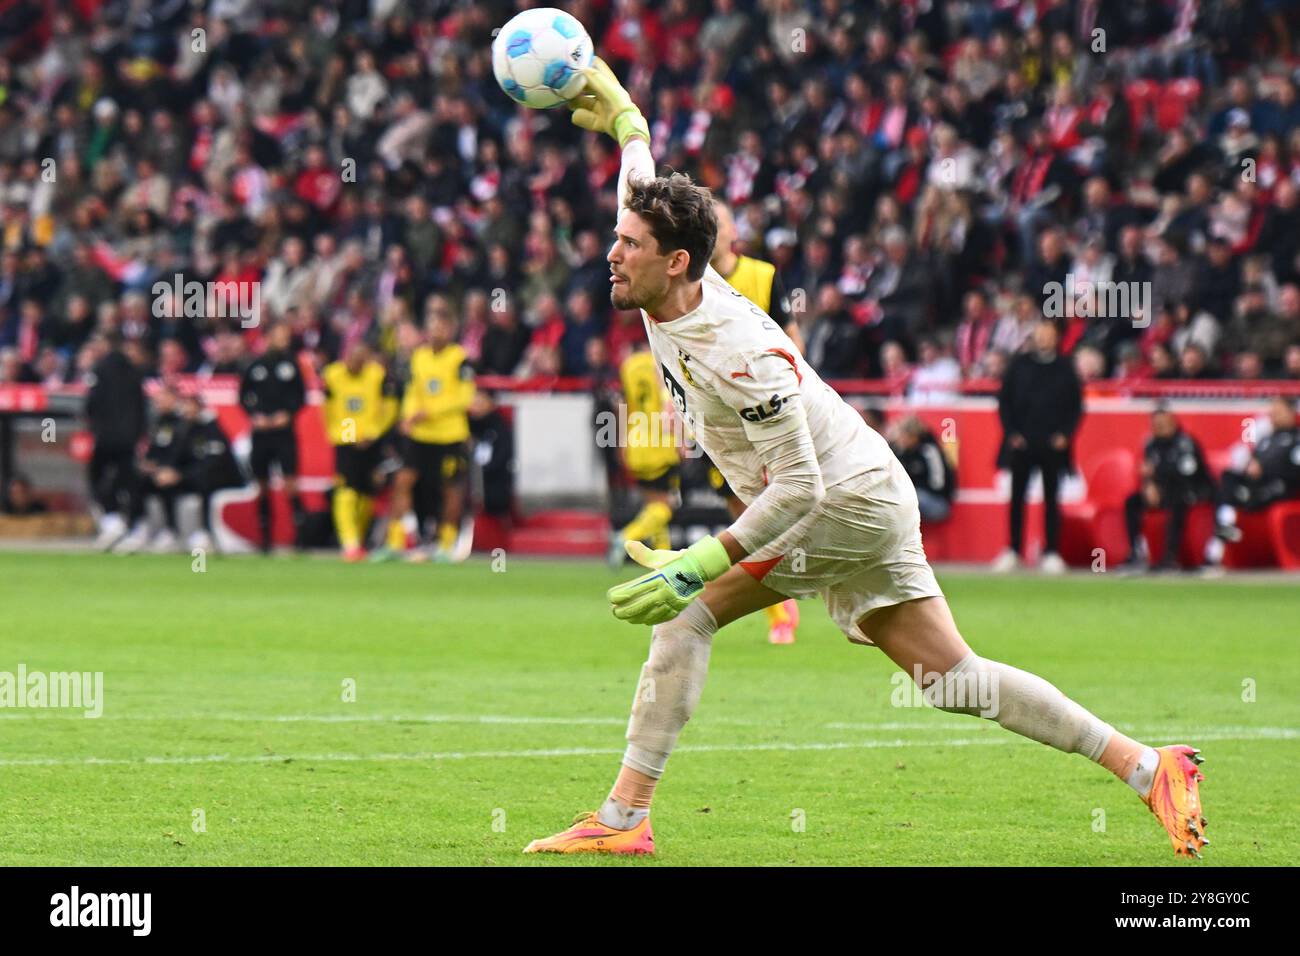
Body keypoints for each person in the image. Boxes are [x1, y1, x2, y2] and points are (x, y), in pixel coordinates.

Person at [523, 59, 1207, 860]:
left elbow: (802, 486)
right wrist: (626, 117)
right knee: (956, 679)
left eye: (628, 246)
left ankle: (623, 818)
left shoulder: (741, 352)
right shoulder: (657, 269)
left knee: (687, 612)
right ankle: (1149, 767)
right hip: (872, 487)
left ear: (676, 262)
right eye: (617, 240)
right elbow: (637, 183)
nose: (612, 253)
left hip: (840, 499)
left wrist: (699, 559)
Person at [708, 198, 802, 644]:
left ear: (732, 232)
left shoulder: (763, 275)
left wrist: (798, 385)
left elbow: (791, 336)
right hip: (720, 418)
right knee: (741, 510)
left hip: (768, 411)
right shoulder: (692, 284)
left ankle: (784, 602)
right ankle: (781, 594)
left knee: (776, 504)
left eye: (718, 221)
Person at [376, 303, 476, 562]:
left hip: (449, 435)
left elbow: (465, 398)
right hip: (420, 435)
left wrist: (429, 412)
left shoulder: (460, 358)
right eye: (431, 327)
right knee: (402, 482)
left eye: (441, 327)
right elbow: (413, 391)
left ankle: (446, 543)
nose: (436, 332)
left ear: (451, 330)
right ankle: (396, 541)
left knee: (450, 489)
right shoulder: (419, 357)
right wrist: (408, 416)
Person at [993, 318, 1082, 574]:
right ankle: (1013, 550)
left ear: (1057, 337)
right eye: (1039, 332)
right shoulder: (1019, 365)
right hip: (1021, 443)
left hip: (1052, 445)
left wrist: (1065, 434)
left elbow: (1075, 406)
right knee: (1017, 498)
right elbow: (1004, 401)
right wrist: (1011, 433)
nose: (1043, 337)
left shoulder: (1065, 367)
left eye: (1048, 333)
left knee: (1052, 499)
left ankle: (1052, 552)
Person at [606, 337, 681, 566]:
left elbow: (620, 406)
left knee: (653, 504)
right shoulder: (660, 362)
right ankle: (626, 536)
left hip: (636, 443)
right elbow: (670, 403)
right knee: (667, 505)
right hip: (661, 442)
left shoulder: (626, 366)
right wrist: (679, 439)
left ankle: (663, 558)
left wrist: (621, 443)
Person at [321, 342, 397, 561]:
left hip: (371, 440)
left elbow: (389, 407)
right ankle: (350, 542)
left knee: (367, 492)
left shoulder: (377, 375)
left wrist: (373, 432)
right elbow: (328, 409)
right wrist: (347, 436)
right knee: (345, 488)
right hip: (346, 440)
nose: (356, 362)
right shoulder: (333, 375)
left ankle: (359, 540)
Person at [239, 320, 306, 553]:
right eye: (279, 335)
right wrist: (254, 416)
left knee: (290, 482)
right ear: (268, 337)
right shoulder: (255, 366)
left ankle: (300, 537)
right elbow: (243, 396)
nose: (284, 339)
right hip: (261, 434)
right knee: (262, 484)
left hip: (284, 434)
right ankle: (265, 538)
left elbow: (301, 396)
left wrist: (287, 414)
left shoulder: (291, 365)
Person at [1121, 405, 1213, 571]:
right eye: (1155, 425)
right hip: (1162, 490)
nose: (1158, 428)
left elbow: (1187, 472)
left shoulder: (1185, 443)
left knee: (1177, 501)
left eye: (1162, 424)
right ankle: (1137, 551)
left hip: (1191, 490)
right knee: (1132, 502)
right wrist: (1149, 486)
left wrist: (1158, 472)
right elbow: (1147, 470)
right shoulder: (1151, 444)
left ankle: (1170, 557)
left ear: (1172, 422)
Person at [87, 333, 147, 550]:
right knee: (127, 481)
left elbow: (92, 403)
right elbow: (142, 406)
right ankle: (135, 526)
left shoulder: (100, 370)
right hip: (129, 439)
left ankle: (113, 521)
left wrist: (94, 427)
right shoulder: (134, 372)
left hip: (106, 437)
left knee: (98, 477)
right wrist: (139, 433)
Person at [1213, 396, 1300, 543]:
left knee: (1236, 496)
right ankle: (1227, 525)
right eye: (1272, 412)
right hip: (1257, 483)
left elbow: (1295, 472)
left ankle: (1231, 518)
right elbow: (1253, 459)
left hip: (1281, 487)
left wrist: (1265, 470)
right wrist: (1250, 466)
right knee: (1228, 476)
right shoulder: (1267, 438)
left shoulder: (1296, 438)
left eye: (1278, 411)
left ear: (1291, 413)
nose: (1274, 415)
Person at [890, 416, 956, 522]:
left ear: (914, 436)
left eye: (904, 436)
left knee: (907, 497)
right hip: (914, 497)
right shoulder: (901, 451)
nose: (900, 439)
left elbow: (938, 484)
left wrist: (911, 488)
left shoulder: (929, 451)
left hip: (937, 502)